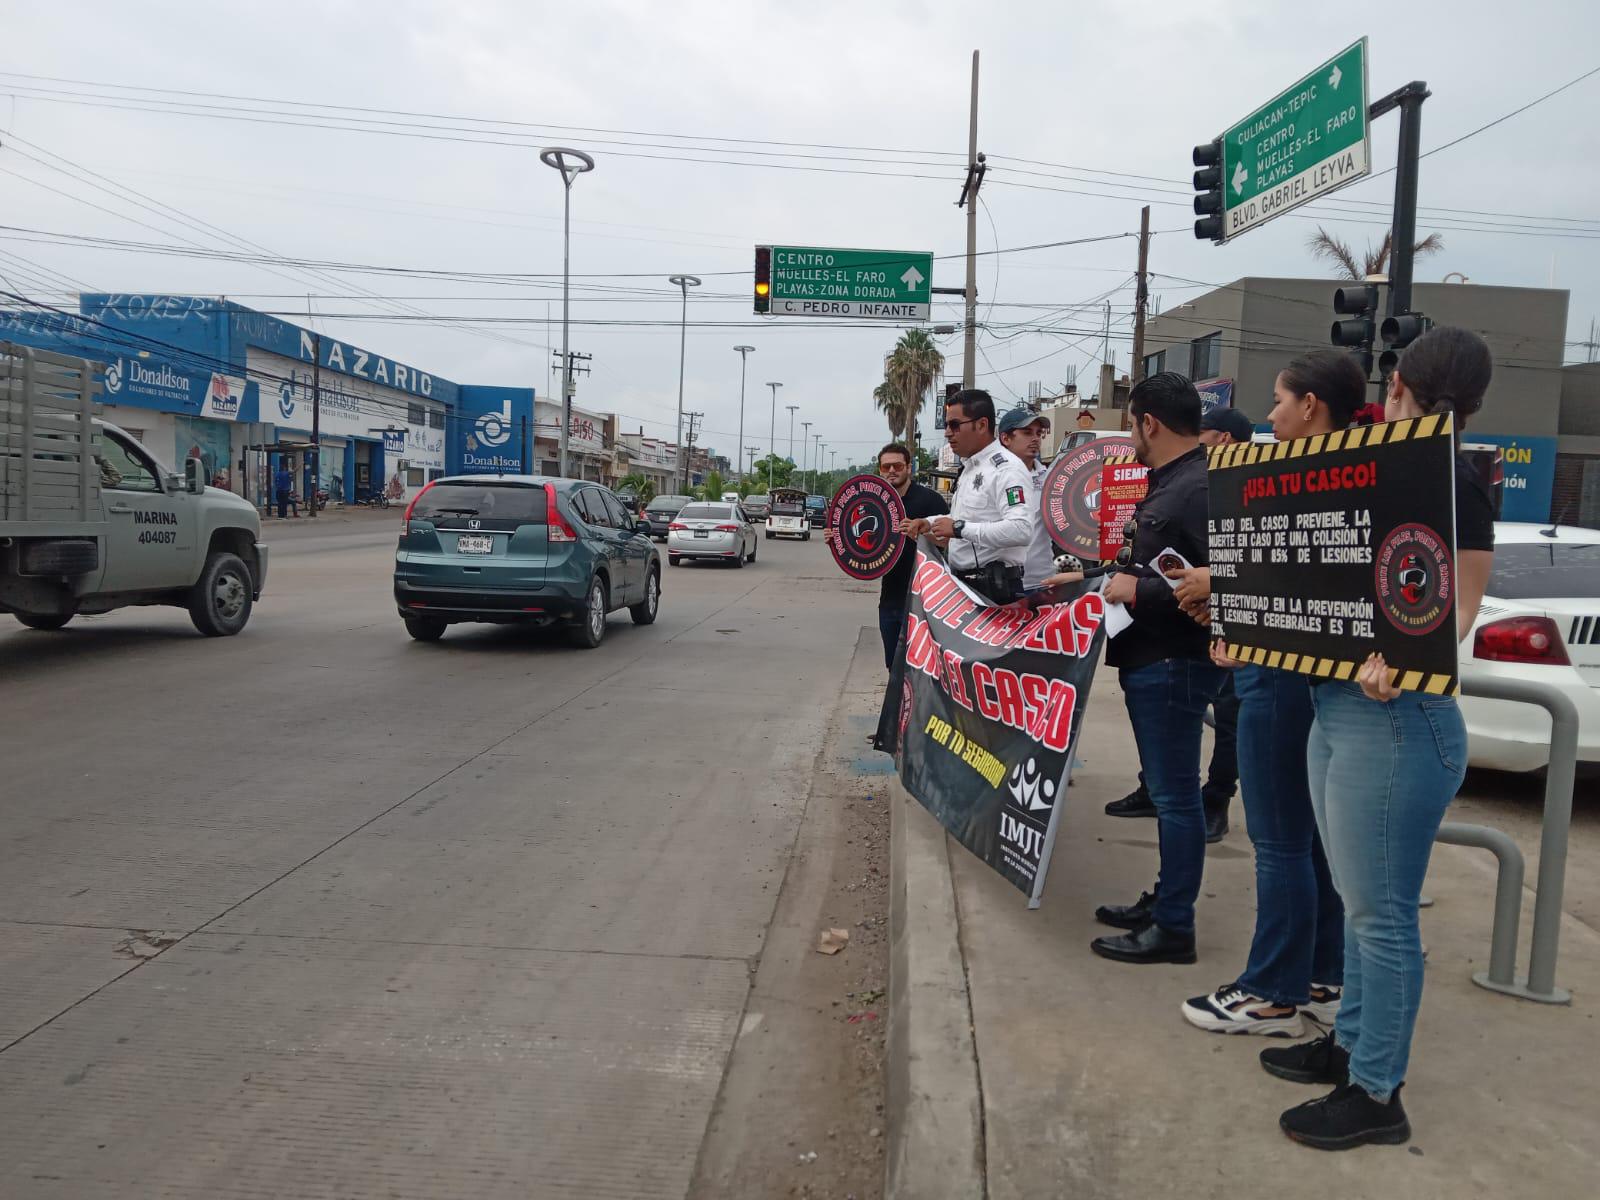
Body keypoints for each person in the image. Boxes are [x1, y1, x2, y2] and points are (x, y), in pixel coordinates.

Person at [1266, 327, 1496, 1150]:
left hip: (1399, 722)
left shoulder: (1451, 480)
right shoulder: (1381, 464)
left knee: (1381, 916)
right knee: (1362, 907)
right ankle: (1352, 1045)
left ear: (1397, 381)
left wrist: (1405, 656)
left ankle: (1377, 1094)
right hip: (1342, 712)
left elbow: (1459, 609)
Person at [1177, 352, 1364, 1040]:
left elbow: (1307, 583)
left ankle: (1271, 992)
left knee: (1281, 839)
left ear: (1311, 405)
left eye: (1281, 401)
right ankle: (1323, 973)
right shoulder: (1343, 477)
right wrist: (1230, 616)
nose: (1272, 414)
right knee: (1309, 838)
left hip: (1285, 682)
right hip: (1286, 670)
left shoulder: (1308, 483)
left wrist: (1217, 588)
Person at [1089, 372, 1223, 966]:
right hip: (1151, 658)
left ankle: (1174, 927)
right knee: (1169, 794)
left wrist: (1136, 590)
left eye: (1133, 422)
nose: (1130, 436)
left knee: (1175, 799)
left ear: (1150, 423)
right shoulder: (1171, 482)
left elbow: (1225, 585)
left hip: (1174, 663)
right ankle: (1165, 901)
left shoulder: (1198, 488)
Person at [899, 389, 1032, 604]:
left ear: (981, 425)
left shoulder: (1007, 469)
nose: (947, 433)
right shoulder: (970, 467)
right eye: (946, 426)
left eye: (954, 425)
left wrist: (960, 529)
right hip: (964, 587)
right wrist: (928, 523)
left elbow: (1021, 529)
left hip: (993, 590)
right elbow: (963, 518)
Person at [875, 441, 948, 669]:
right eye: (886, 467)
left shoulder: (930, 500)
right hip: (891, 600)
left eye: (897, 465)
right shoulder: (875, 501)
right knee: (894, 667)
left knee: (925, 669)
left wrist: (920, 533)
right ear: (880, 470)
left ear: (909, 468)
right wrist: (838, 539)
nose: (892, 471)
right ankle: (899, 706)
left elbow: (949, 542)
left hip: (927, 602)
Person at [996, 407, 1057, 593]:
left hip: (1043, 582)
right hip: (1001, 585)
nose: (1035, 439)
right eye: (1027, 432)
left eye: (1039, 433)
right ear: (1005, 438)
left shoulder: (1050, 479)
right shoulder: (991, 476)